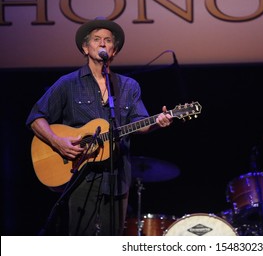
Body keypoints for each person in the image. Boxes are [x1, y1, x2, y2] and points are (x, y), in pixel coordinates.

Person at [26, 17, 173, 235]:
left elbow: (139, 125)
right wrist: (58, 142)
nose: (102, 43)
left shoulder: (128, 86)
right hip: (79, 174)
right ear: (86, 48)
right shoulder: (68, 83)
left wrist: (157, 123)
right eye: (96, 39)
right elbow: (35, 117)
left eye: (108, 40)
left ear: (114, 51)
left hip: (117, 175)